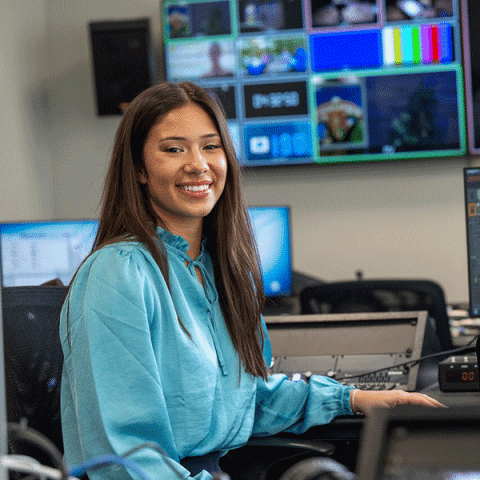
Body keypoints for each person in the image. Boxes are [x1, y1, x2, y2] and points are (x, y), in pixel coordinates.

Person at [59, 81, 443, 480]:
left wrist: (352, 399)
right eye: (173, 149)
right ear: (138, 168)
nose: (197, 164)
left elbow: (243, 402)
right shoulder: (117, 273)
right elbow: (125, 460)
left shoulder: (220, 271)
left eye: (211, 146)